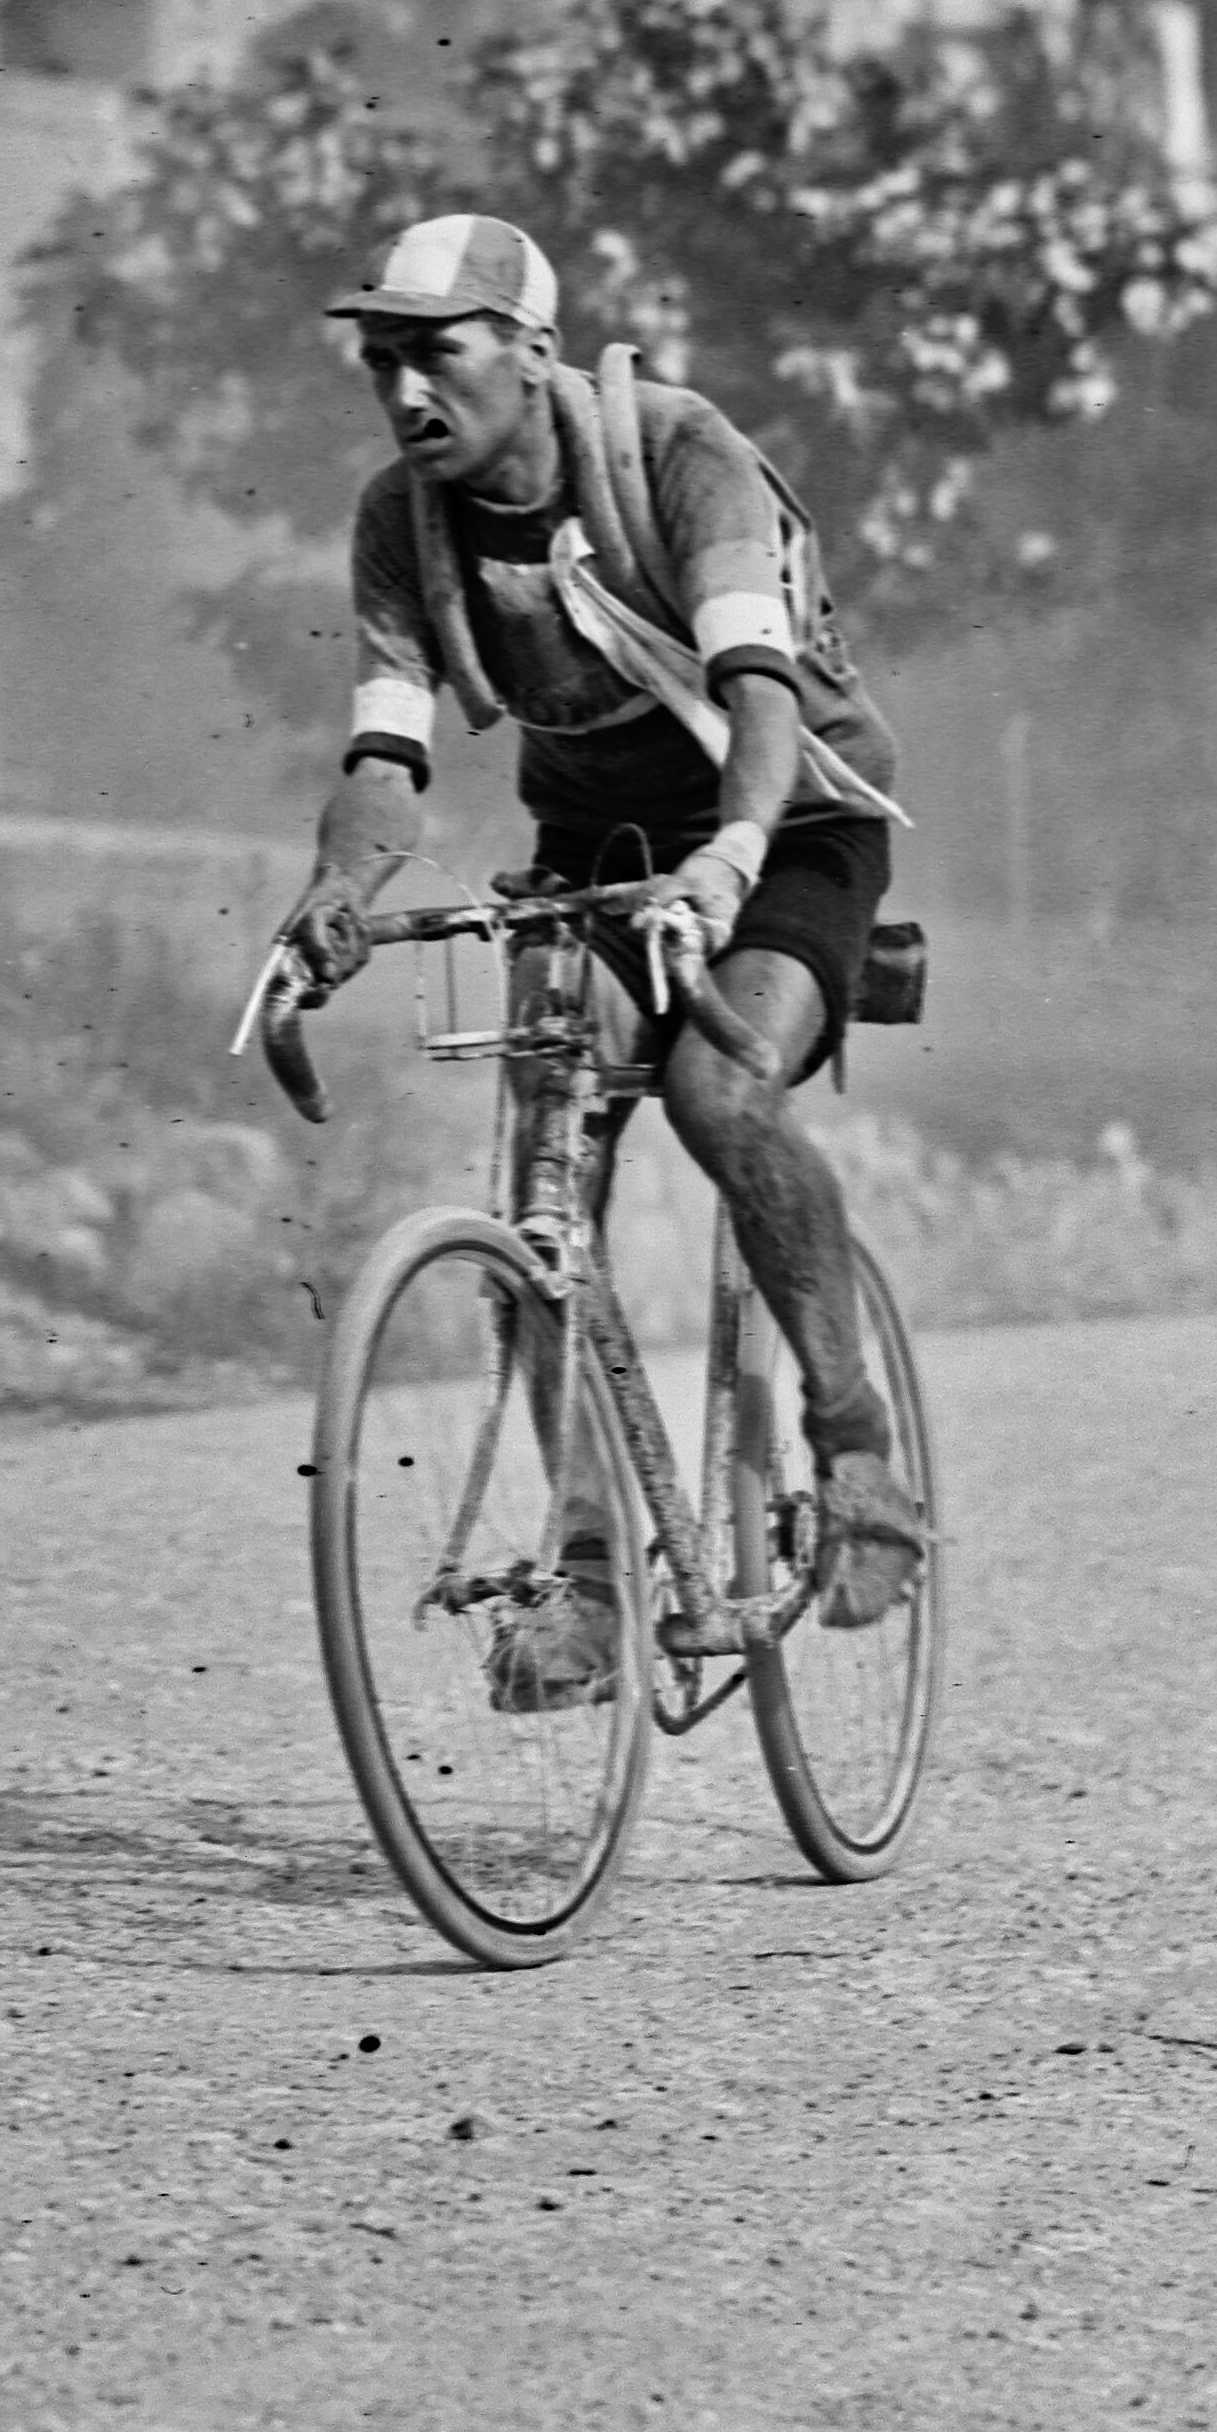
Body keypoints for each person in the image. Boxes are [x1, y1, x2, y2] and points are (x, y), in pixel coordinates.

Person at [265, 207, 923, 1679]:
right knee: (543, 1184)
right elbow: (387, 752)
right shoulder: (399, 520)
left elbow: (758, 699)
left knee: (717, 1089)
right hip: (593, 856)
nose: (404, 394)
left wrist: (728, 859)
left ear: (531, 349)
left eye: (434, 354)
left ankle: (855, 1446)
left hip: (787, 821)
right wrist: (333, 895)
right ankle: (585, 1579)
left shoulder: (676, 452)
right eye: (380, 364)